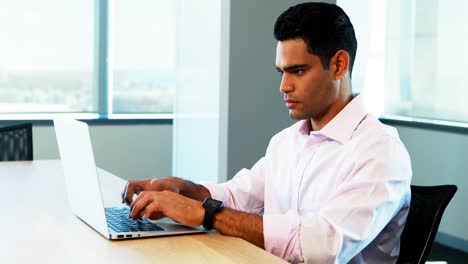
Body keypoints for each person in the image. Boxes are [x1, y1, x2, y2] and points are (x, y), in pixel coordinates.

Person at [122, 2, 412, 263]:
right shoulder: (286, 142)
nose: (283, 86)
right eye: (282, 72)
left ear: (338, 65)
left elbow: (322, 246)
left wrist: (206, 213)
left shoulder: (380, 151)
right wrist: (188, 191)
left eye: (297, 71)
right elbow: (238, 197)